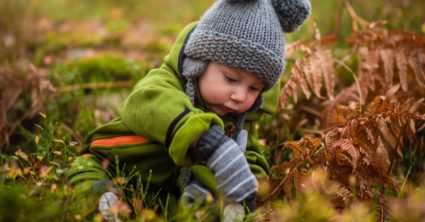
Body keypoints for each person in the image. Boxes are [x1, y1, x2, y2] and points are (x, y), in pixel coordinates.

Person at [67, 0, 311, 220]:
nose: (239, 96)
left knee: (207, 201)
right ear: (199, 63)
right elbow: (144, 102)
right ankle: (103, 202)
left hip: (165, 191)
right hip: (114, 162)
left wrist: (248, 185)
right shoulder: (166, 83)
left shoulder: (237, 119)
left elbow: (249, 154)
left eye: (254, 89)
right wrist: (204, 138)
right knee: (89, 173)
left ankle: (200, 205)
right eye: (230, 79)